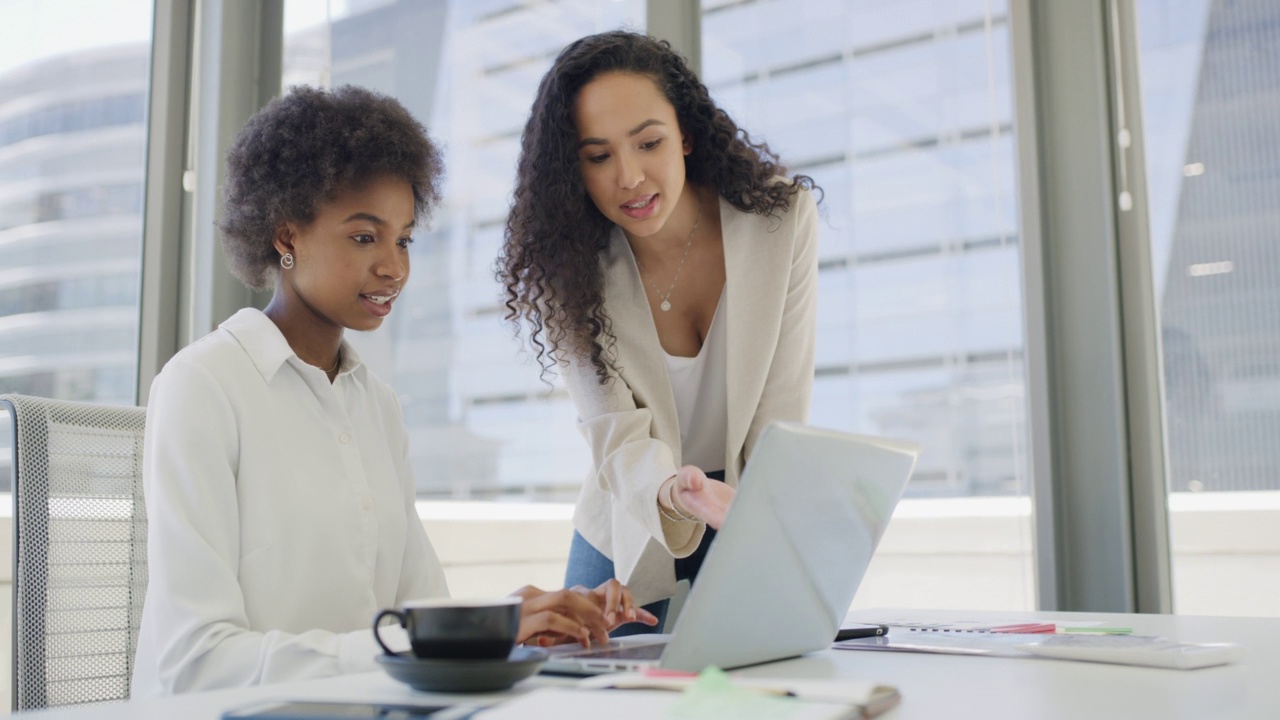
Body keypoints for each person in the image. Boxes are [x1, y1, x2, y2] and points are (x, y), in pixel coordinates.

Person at [131, 85, 655, 698]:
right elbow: (196, 662)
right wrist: (416, 642)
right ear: (286, 236)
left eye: (403, 239)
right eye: (364, 237)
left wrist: (510, 626)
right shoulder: (202, 388)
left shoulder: (375, 405)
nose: (394, 267)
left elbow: (419, 612)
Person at [498, 31, 819, 632]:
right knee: (594, 687)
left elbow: (781, 408)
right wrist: (676, 493)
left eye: (649, 143)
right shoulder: (563, 270)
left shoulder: (780, 221)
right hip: (633, 510)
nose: (629, 177)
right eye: (598, 157)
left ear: (686, 135)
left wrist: (760, 526)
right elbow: (615, 435)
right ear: (574, 169)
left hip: (745, 499)